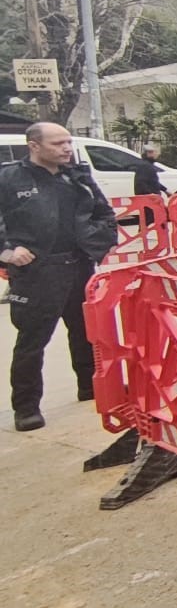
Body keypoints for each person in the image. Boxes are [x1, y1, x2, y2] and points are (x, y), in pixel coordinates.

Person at [0, 123, 117, 431]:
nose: (66, 148)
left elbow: (104, 214)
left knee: (86, 333)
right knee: (32, 341)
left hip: (79, 267)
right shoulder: (9, 178)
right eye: (57, 143)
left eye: (68, 142)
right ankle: (26, 408)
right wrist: (7, 250)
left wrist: (96, 243)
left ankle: (89, 386)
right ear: (34, 146)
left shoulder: (76, 176)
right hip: (37, 272)